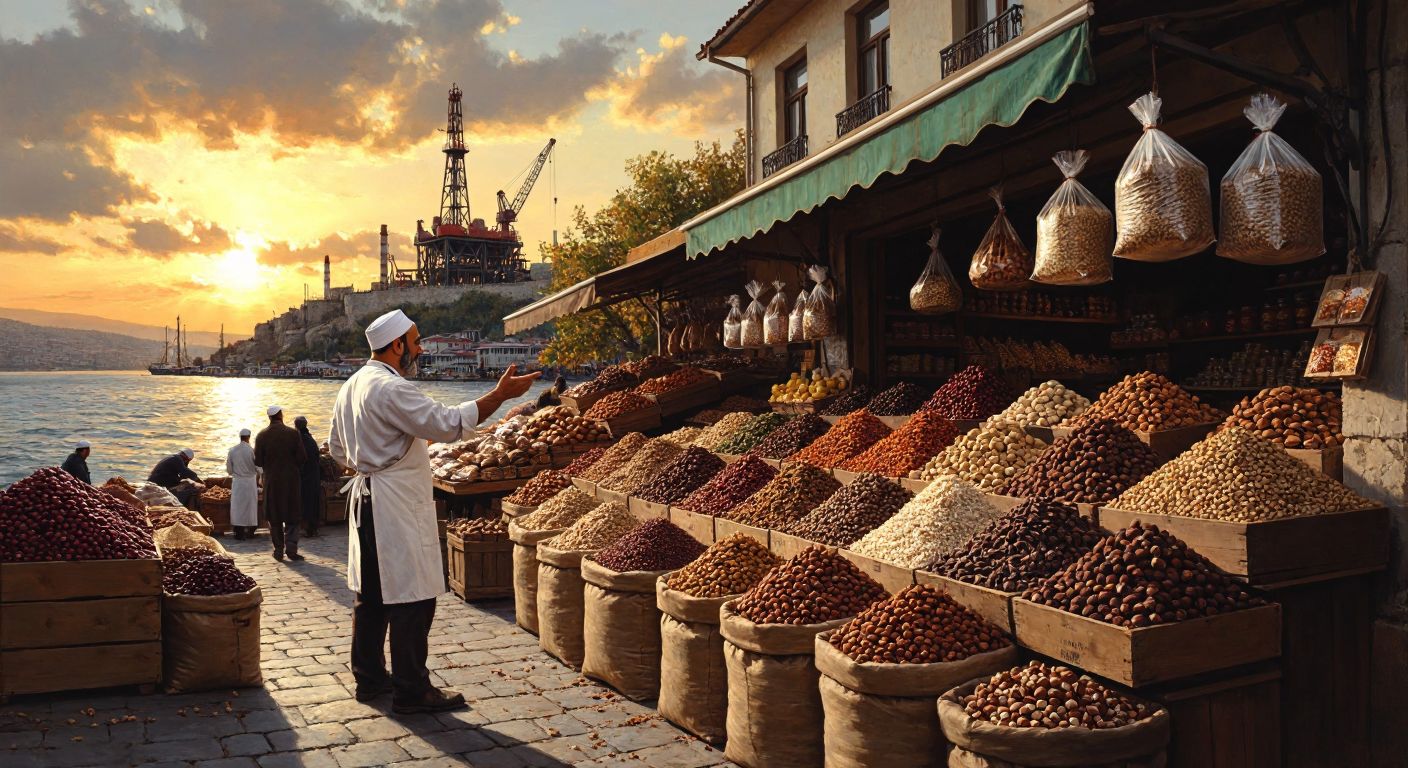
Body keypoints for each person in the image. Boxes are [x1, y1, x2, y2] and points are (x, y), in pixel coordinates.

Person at [329, 308, 538, 714]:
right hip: (393, 505)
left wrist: (371, 461)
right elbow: (445, 424)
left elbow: (338, 450)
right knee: (413, 597)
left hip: (367, 501)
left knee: (369, 596)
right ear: (396, 345)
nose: (420, 349)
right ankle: (411, 690)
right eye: (416, 341)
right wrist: (498, 395)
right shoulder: (391, 388)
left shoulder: (352, 385)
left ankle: (369, 680)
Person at [254, 405, 307, 561]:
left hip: (271, 481)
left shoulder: (261, 435)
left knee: (274, 517)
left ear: (269, 417)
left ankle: (278, 550)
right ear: (281, 415)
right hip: (291, 481)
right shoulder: (293, 434)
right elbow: (302, 458)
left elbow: (258, 460)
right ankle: (291, 549)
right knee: (293, 516)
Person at [226, 429, 260, 540]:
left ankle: (238, 532)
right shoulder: (252, 451)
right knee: (250, 507)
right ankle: (250, 532)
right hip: (250, 483)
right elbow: (259, 468)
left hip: (237, 483)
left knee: (237, 507)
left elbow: (229, 470)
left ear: (240, 437)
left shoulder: (232, 450)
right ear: (249, 437)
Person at [294, 416, 322, 538]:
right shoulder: (311, 439)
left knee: (304, 502)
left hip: (304, 477)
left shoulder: (299, 440)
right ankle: (313, 527)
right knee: (313, 501)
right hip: (314, 476)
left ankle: (306, 528)